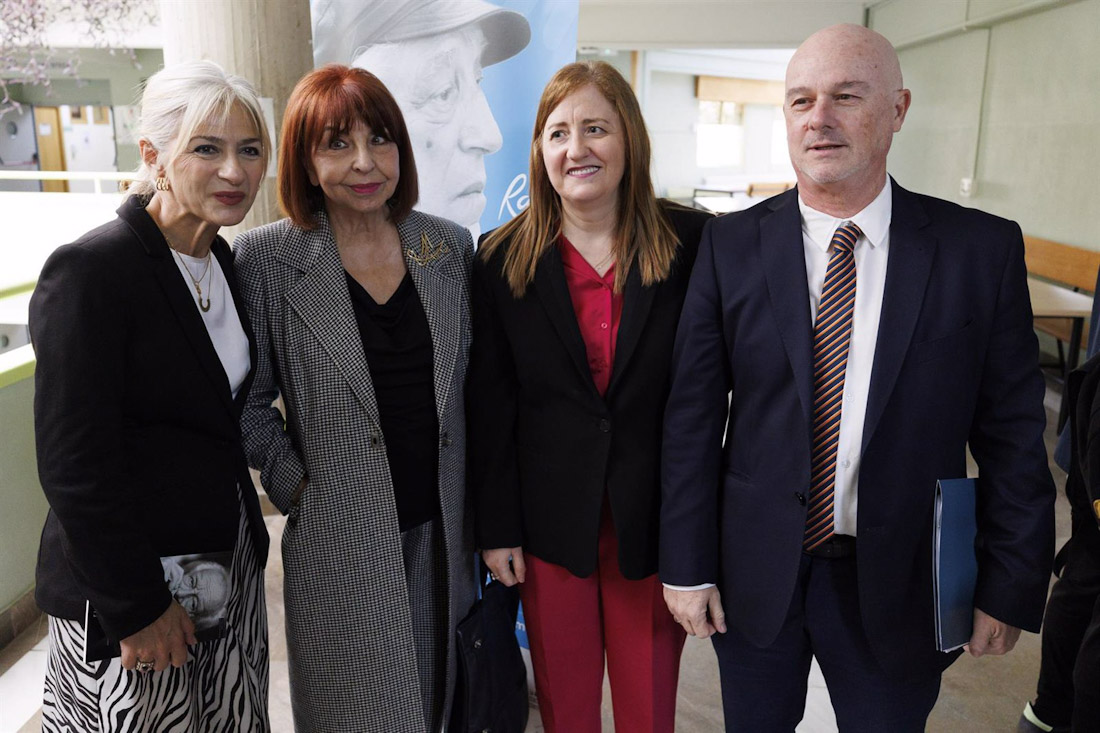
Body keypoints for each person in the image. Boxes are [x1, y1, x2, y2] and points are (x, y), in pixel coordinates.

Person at [660, 23, 1055, 732]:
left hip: (902, 579)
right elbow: (691, 417)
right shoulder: (730, 245)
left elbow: (1013, 436)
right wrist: (686, 565)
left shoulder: (977, 251)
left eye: (846, 96)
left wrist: (1008, 582)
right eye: (801, 100)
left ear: (898, 110)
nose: (820, 118)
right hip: (755, 571)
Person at [468, 60, 712, 733]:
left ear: (629, 137)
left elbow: (709, 395)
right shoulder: (499, 258)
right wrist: (497, 528)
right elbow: (492, 406)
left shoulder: (693, 244)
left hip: (654, 526)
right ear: (540, 151)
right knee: (566, 710)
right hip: (549, 530)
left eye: (596, 128)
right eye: (558, 133)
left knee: (647, 711)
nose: (576, 148)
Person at [29, 60, 272, 731]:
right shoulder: (92, 270)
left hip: (222, 570)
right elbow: (74, 466)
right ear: (153, 155)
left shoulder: (222, 262)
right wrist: (136, 605)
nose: (234, 171)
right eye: (207, 149)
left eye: (250, 150)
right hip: (133, 592)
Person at [234, 64, 475, 732]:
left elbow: (477, 389)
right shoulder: (266, 259)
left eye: (380, 139)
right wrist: (298, 486)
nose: (364, 162)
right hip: (339, 539)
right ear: (306, 163)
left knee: (437, 708)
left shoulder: (447, 248)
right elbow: (247, 403)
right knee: (353, 714)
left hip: (442, 532)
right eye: (337, 144)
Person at [311, 0, 531, 240]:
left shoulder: (464, 251)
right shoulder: (284, 254)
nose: (491, 136)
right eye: (443, 92)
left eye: (477, 79)